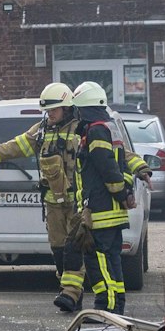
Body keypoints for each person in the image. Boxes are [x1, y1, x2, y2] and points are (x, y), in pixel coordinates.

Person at [0, 82, 86, 311]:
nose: (50, 114)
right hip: (53, 204)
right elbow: (12, 147)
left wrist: (139, 168)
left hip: (76, 204)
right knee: (58, 250)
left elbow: (112, 151)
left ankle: (71, 293)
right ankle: (71, 292)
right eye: (47, 110)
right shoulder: (41, 131)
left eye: (54, 109)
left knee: (74, 249)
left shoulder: (82, 130)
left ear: (67, 108)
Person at [70, 81, 132, 315]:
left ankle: (107, 306)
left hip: (101, 211)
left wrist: (120, 191)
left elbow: (107, 168)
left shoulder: (95, 131)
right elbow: (121, 165)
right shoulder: (108, 128)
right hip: (112, 210)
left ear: (83, 109)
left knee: (100, 261)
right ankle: (115, 306)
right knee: (112, 260)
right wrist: (125, 192)